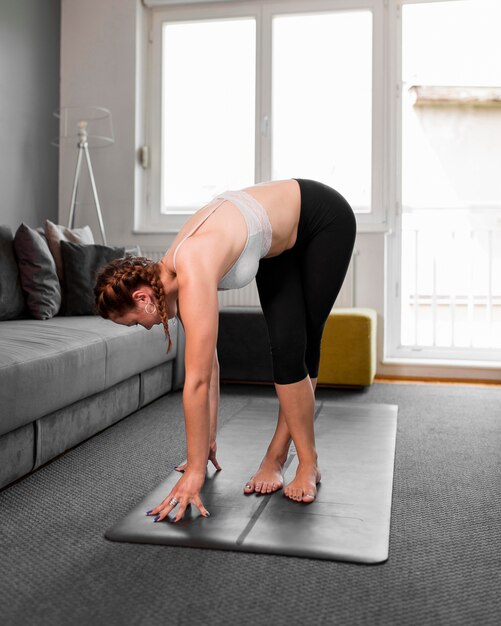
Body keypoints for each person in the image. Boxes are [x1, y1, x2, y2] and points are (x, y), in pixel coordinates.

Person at [94, 178, 356, 523]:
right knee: (286, 346)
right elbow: (210, 364)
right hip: (277, 245)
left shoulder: (195, 261)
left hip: (323, 219)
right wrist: (204, 447)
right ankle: (277, 457)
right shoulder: (174, 276)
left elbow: (197, 382)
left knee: (301, 343)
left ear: (142, 299)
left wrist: (195, 475)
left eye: (133, 323)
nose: (145, 328)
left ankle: (307, 463)